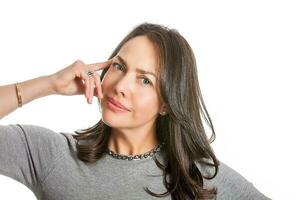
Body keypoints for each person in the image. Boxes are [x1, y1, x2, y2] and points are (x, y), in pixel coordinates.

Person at [0, 22, 271, 200]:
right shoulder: (52, 155)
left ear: (167, 102)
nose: (121, 86)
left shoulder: (196, 178)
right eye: (119, 66)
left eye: (145, 80)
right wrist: (48, 85)